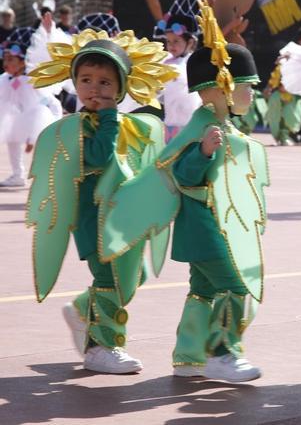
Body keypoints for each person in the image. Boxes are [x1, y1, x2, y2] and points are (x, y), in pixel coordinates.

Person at [99, 1, 267, 383]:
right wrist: (204, 153)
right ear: (223, 87)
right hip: (207, 225)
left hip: (205, 226)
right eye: (248, 88)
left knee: (203, 290)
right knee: (235, 285)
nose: (252, 96)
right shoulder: (205, 126)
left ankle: (189, 356)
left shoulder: (217, 122)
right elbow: (178, 170)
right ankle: (222, 353)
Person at [26, 28, 174, 374]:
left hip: (123, 218)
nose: (95, 88)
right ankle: (101, 347)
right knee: (111, 278)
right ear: (74, 83)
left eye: (105, 82)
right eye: (87, 80)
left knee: (132, 276)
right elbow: (98, 157)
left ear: (122, 88)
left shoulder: (130, 125)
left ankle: (82, 310)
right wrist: (108, 119)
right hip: (94, 220)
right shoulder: (76, 128)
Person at [0, 27, 62, 187]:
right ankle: (17, 174)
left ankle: (50, 175)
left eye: (10, 59)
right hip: (19, 117)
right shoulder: (5, 80)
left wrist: (51, 122)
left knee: (45, 147)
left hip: (39, 117)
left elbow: (49, 102)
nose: (5, 63)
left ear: (23, 61)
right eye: (4, 59)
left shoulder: (32, 79)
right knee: (12, 137)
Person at [156, 9, 202, 140]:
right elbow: (159, 92)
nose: (171, 45)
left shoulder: (194, 62)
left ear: (190, 42)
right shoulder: (166, 62)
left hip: (191, 122)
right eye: (168, 41)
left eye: (176, 41)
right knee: (171, 156)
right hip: (171, 123)